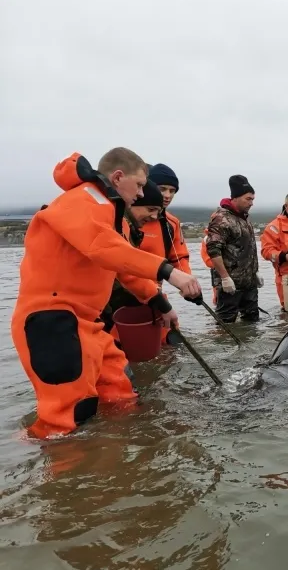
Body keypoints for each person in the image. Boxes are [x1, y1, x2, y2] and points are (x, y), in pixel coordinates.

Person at [10, 149, 201, 439]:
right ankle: (56, 473)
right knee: (66, 418)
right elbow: (103, 247)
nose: (141, 194)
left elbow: (126, 271)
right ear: (118, 176)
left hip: (89, 324)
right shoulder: (82, 200)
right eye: (139, 185)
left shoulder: (114, 216)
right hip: (52, 323)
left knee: (121, 394)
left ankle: (115, 469)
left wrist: (162, 305)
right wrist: (169, 272)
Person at [99, 179, 183, 347]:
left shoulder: (168, 224)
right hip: (115, 305)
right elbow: (125, 266)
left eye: (172, 191)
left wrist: (161, 301)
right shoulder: (112, 225)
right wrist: (168, 274)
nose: (153, 216)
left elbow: (180, 257)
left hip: (148, 297)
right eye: (151, 209)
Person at [205, 175, 262, 323]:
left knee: (252, 322)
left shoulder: (244, 218)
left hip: (249, 283)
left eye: (253, 199)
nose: (252, 203)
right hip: (230, 285)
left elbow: (248, 249)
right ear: (235, 198)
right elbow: (213, 249)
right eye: (248, 199)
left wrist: (255, 272)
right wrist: (224, 277)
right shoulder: (221, 218)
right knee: (226, 324)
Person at [138, 163, 191, 274]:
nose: (167, 195)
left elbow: (179, 258)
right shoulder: (129, 216)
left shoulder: (172, 223)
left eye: (172, 191)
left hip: (155, 288)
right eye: (162, 189)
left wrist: (189, 283)